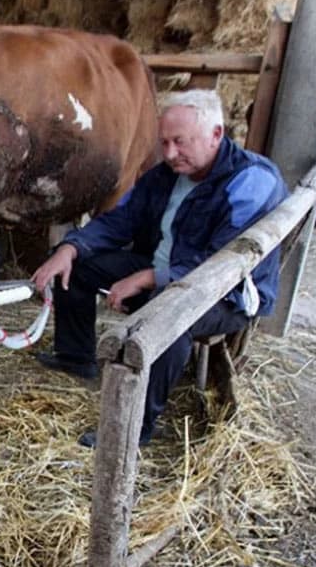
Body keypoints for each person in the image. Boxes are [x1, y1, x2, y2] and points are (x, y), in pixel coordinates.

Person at [30, 89, 288, 448]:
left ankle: (134, 429)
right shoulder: (165, 174)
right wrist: (72, 247)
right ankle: (76, 357)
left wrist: (149, 278)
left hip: (224, 294)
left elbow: (222, 264)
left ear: (216, 134)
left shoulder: (253, 181)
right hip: (161, 268)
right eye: (164, 142)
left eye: (179, 142)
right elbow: (121, 220)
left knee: (170, 317)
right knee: (79, 265)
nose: (168, 153)